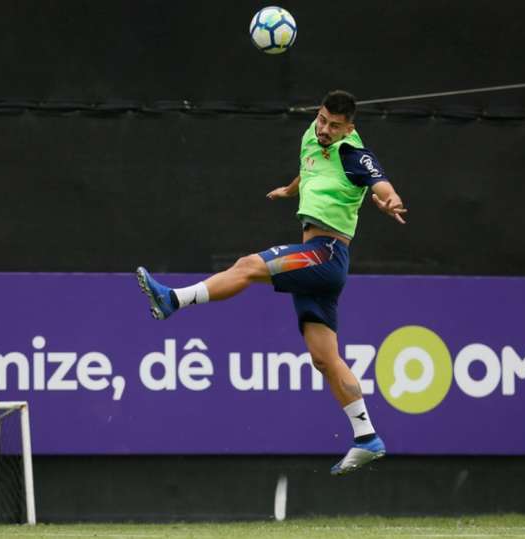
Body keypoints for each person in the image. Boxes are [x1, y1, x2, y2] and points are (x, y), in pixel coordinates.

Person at [136, 90, 406, 475]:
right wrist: (291, 189)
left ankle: (174, 300)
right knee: (324, 358)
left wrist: (390, 200)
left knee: (247, 265)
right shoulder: (312, 135)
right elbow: (312, 168)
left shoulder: (354, 155)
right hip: (317, 258)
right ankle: (367, 437)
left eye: (335, 126)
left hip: (326, 253)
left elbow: (381, 184)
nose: (325, 129)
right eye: (323, 119)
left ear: (350, 128)